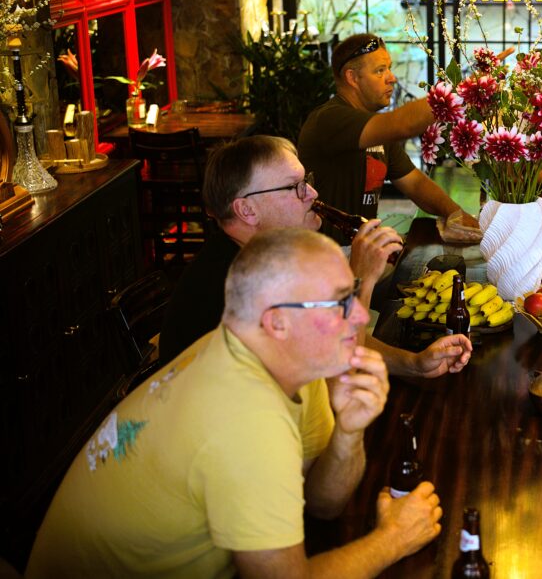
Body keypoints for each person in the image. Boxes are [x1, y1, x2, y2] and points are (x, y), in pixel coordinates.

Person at [27, 229, 445, 578]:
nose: (358, 316)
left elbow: (323, 505)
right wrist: (394, 538)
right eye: (339, 303)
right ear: (277, 321)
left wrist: (348, 433)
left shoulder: (258, 352)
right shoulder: (246, 417)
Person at [159, 135, 472, 378]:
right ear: (247, 209)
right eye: (295, 187)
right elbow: (334, 370)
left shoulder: (266, 256)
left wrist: (415, 363)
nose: (312, 194)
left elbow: (326, 333)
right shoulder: (236, 287)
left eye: (305, 181)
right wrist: (360, 280)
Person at [298, 33, 477, 237]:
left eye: (389, 68)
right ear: (352, 78)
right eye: (380, 70)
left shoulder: (375, 130)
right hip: (326, 255)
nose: (392, 78)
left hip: (361, 247)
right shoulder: (329, 119)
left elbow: (416, 184)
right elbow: (404, 124)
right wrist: (464, 91)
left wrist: (455, 214)